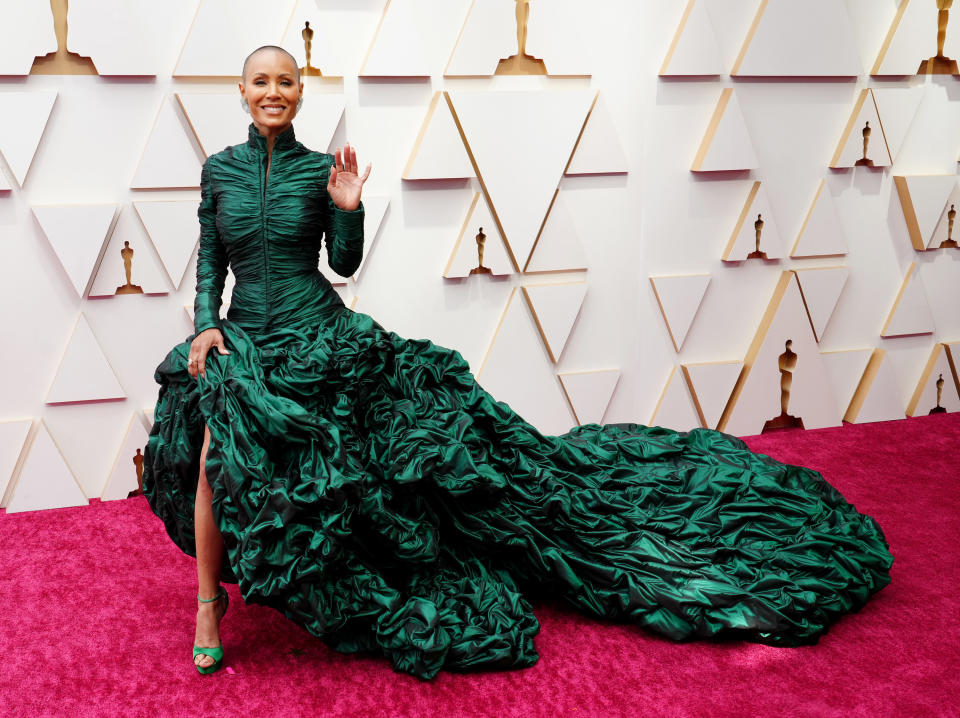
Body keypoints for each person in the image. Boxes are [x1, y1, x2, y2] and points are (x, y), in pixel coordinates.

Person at [143, 45, 893, 680]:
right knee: (217, 453)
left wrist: (347, 207)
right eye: (260, 81)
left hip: (320, 334)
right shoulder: (218, 171)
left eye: (286, 81)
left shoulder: (318, 170)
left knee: (372, 469)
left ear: (301, 93)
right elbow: (211, 258)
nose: (273, 92)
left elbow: (341, 264)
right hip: (242, 342)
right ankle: (209, 601)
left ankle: (371, 562)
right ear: (241, 92)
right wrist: (205, 327)